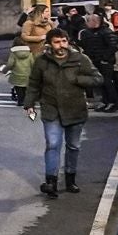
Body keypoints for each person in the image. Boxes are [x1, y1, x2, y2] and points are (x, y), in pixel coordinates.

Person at [21, 28, 104, 199]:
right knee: (52, 144)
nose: (62, 45)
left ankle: (70, 179)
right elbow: (34, 83)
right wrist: (29, 103)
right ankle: (50, 181)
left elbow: (97, 78)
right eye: (57, 42)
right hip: (51, 109)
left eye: (64, 41)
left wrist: (78, 80)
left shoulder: (80, 59)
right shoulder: (42, 61)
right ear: (50, 44)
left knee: (73, 146)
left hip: (75, 109)